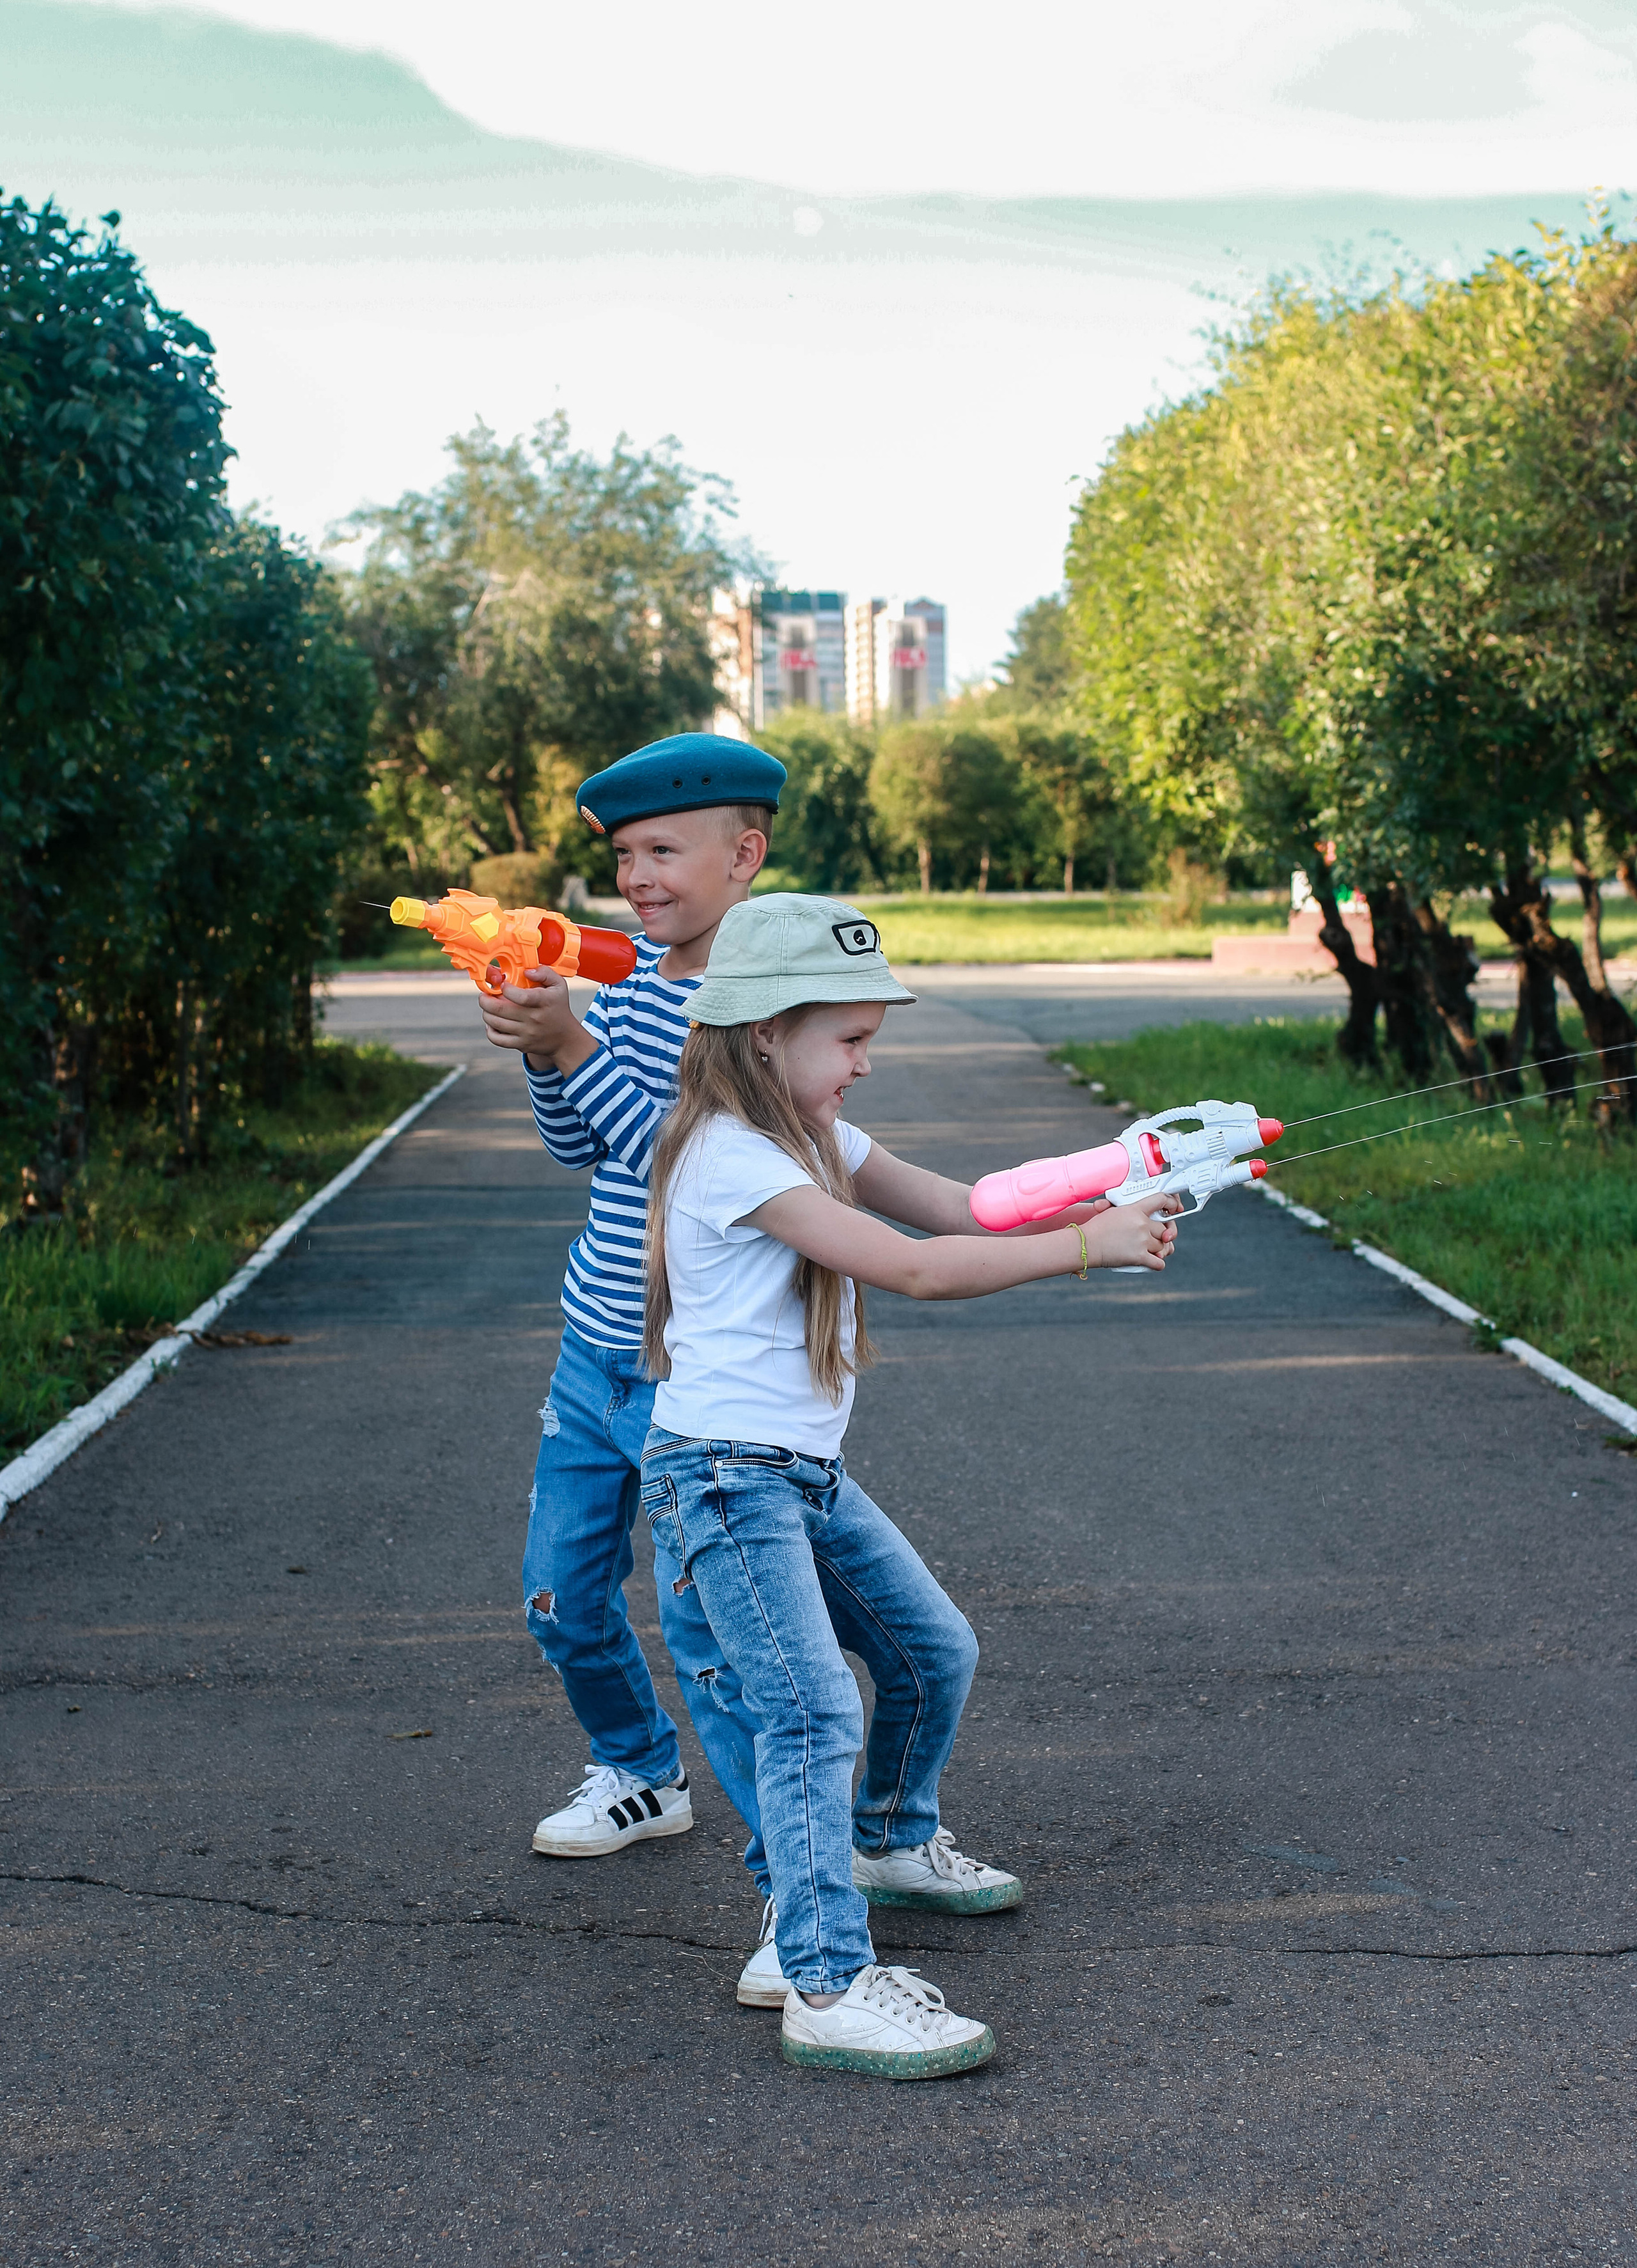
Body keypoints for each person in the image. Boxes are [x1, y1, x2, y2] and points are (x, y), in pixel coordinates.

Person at [639, 893, 1178, 2077]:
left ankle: (883, 1843)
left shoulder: (813, 1138)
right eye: (852, 1039)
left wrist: (1099, 1196)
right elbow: (919, 1268)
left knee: (934, 1652)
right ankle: (825, 1982)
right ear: (768, 1032)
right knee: (811, 1710)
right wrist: (1089, 1249)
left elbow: (961, 1208)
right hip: (725, 1482)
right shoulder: (734, 1156)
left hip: (793, 1473)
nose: (866, 1064)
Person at [479, 733, 784, 1879]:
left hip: (687, 1366)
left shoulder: (750, 1009)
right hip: (592, 1350)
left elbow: (690, 1162)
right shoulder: (635, 985)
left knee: (712, 1627)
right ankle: (640, 1772)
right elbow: (585, 1147)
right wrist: (541, 1049)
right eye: (623, 856)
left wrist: (575, 1049)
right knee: (559, 1597)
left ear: (743, 854)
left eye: (664, 849)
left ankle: (795, 1864)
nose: (638, 876)